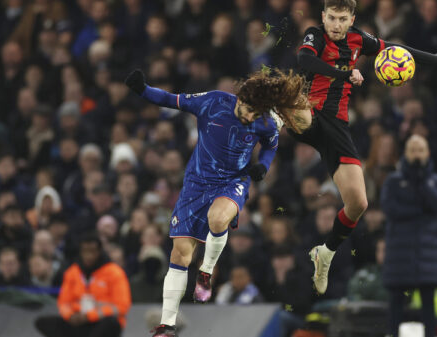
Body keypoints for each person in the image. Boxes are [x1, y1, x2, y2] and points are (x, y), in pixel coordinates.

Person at [124, 68, 312, 337]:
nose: (249, 118)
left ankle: (206, 272)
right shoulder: (212, 102)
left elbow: (271, 145)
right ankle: (166, 326)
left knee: (217, 218)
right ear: (238, 99)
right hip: (196, 184)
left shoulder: (267, 122)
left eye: (255, 114)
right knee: (179, 255)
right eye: (247, 110)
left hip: (233, 181)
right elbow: (172, 100)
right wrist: (142, 89)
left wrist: (263, 166)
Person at [293, 0, 437, 295]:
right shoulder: (314, 35)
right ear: (323, 17)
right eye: (332, 18)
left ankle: (325, 253)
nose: (337, 25)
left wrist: (436, 58)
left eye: (343, 19)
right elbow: (305, 62)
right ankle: (271, 121)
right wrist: (345, 74)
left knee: (358, 204)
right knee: (297, 112)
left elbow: (395, 49)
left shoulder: (359, 39)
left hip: (337, 126)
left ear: (352, 18)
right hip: (311, 113)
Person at [380, 135, 437, 337]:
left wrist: (422, 184)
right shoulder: (393, 181)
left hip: (426, 254)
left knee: (428, 304)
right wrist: (422, 212)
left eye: (421, 149)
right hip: (399, 254)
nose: (417, 154)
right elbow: (390, 208)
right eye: (413, 150)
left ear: (428, 153)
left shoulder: (435, 181)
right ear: (406, 153)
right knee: (395, 304)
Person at [35, 234, 131, 337]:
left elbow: (121, 306)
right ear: (80, 252)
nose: (88, 255)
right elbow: (63, 302)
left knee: (111, 323)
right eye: (85, 251)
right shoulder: (72, 272)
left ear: (99, 251)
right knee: (43, 322)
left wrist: (90, 316)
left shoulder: (114, 272)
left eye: (92, 251)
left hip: (101, 321)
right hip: (78, 320)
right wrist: (71, 316)